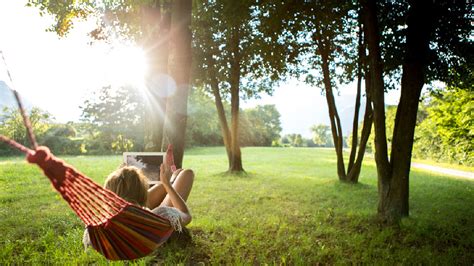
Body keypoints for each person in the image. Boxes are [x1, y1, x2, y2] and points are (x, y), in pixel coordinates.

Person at [83, 161, 194, 248]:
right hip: (148, 222)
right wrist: (167, 185)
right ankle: (171, 181)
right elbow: (186, 215)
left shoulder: (98, 228)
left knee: (178, 175)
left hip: (132, 217)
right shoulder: (161, 215)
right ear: (143, 194)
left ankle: (173, 179)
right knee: (187, 173)